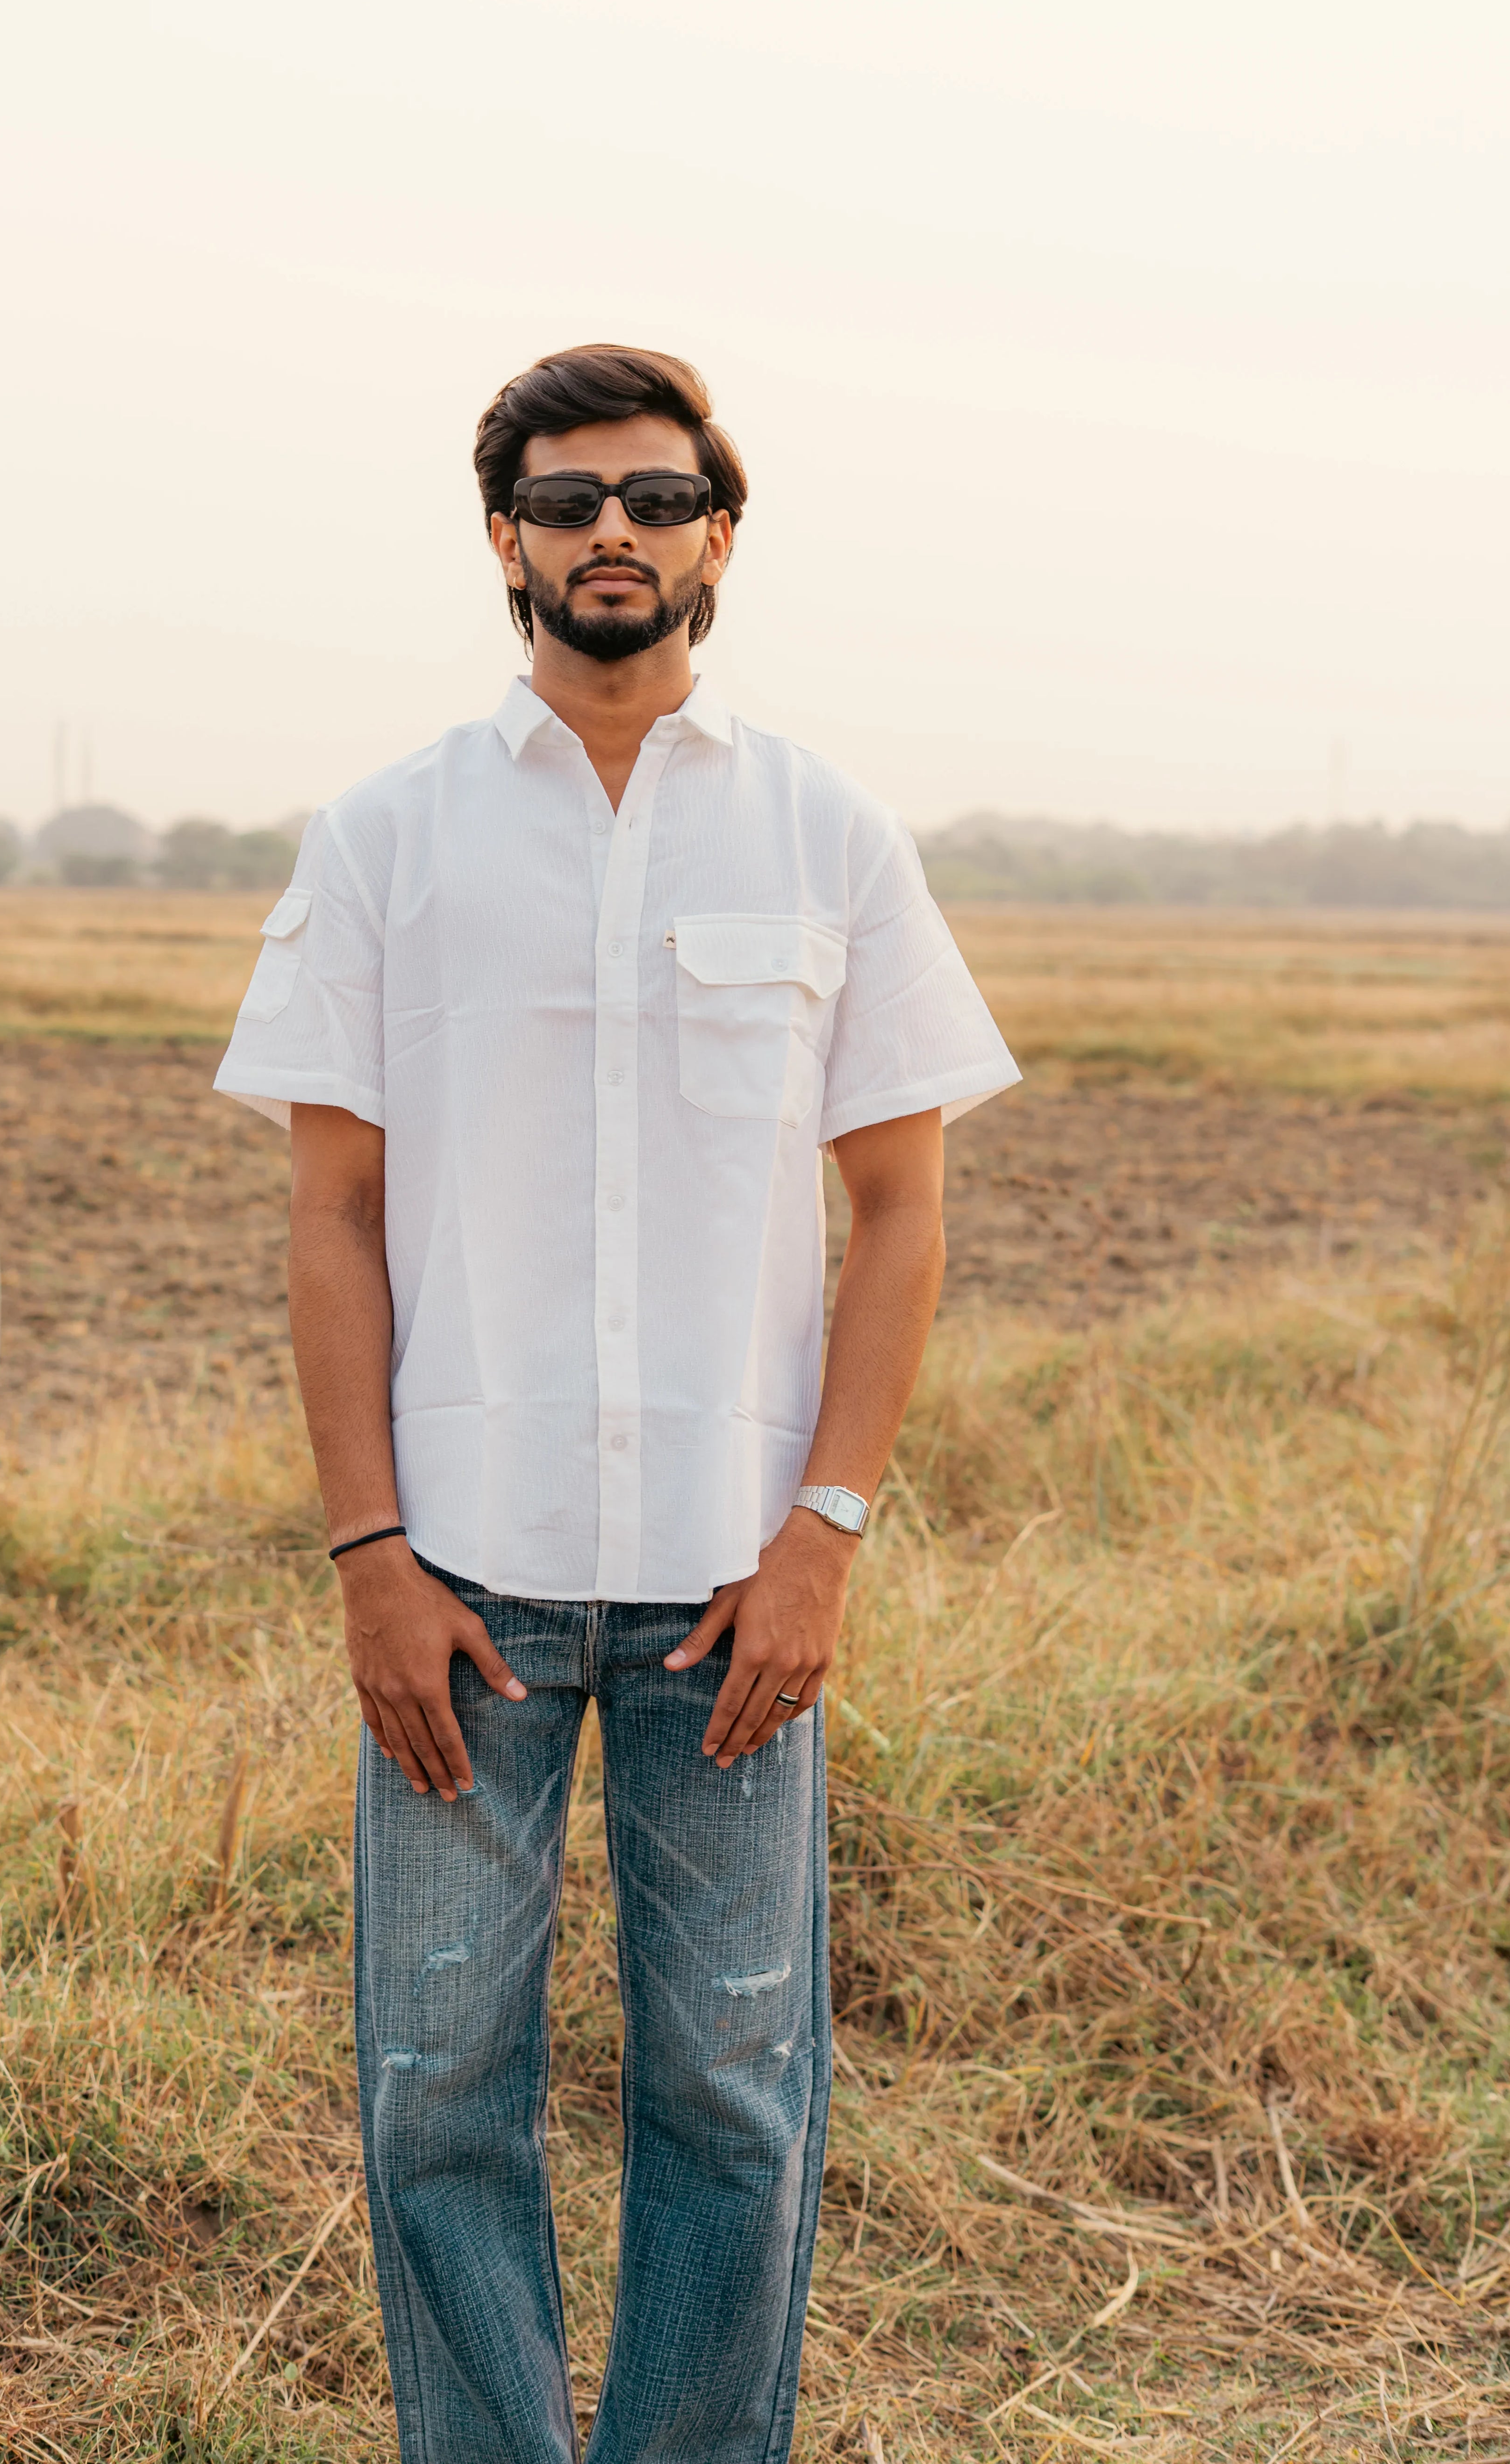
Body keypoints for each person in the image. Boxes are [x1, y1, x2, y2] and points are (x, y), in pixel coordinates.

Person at [214, 343, 1019, 2464]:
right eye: (568, 502)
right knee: (437, 2093)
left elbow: (906, 1214)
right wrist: (370, 1556)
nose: (612, 535)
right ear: (506, 541)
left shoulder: (828, 830)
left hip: (734, 1598)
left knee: (736, 2098)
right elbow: (331, 1217)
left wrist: (826, 1533)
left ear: (719, 537)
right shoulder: (388, 834)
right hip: (457, 1585)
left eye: (657, 500)